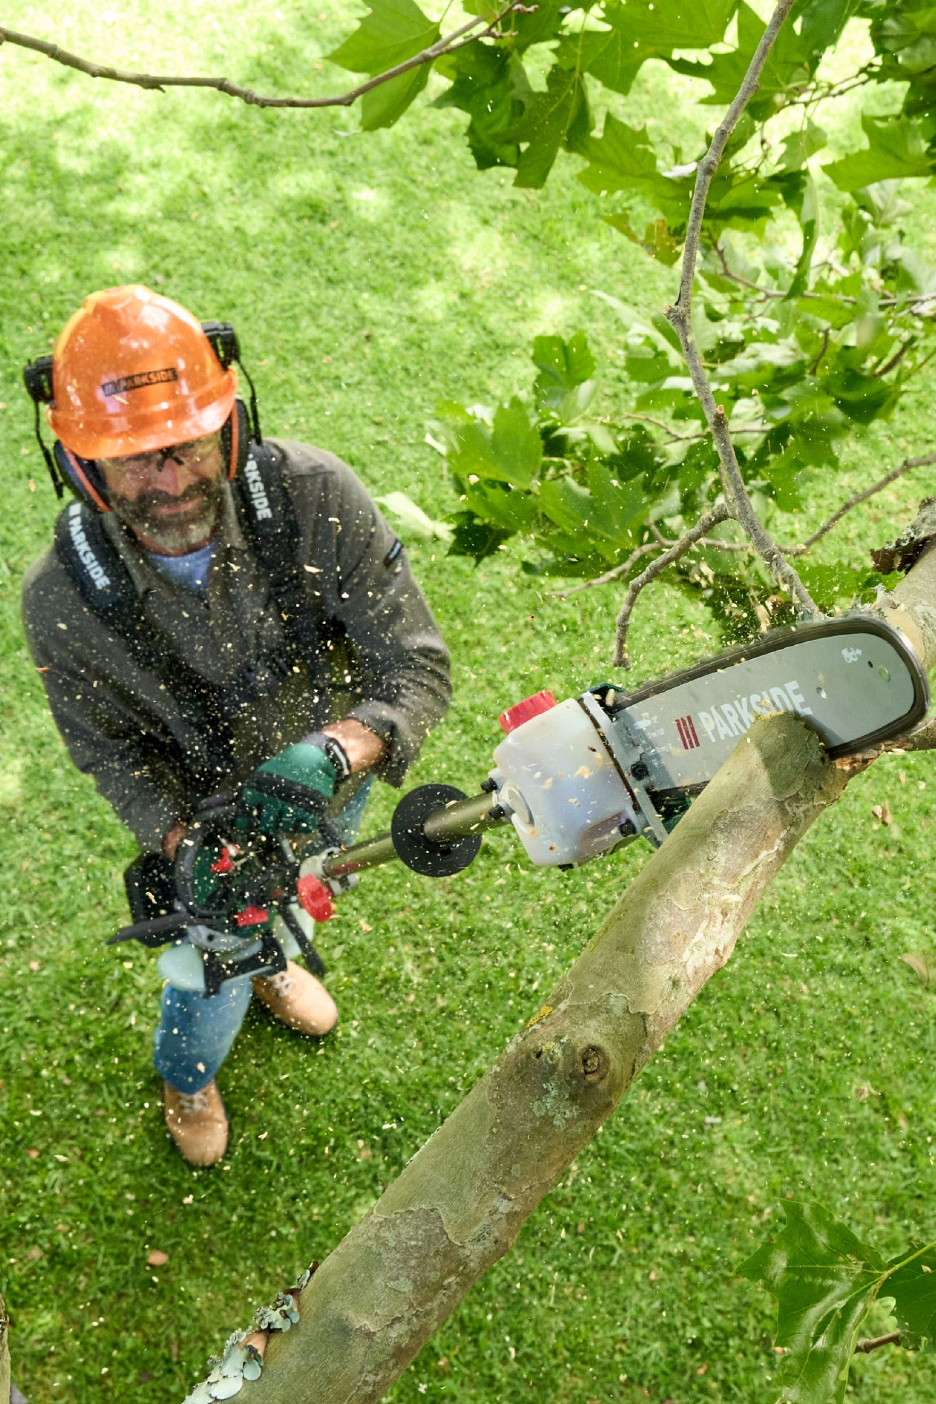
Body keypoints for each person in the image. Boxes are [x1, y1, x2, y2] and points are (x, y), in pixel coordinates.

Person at [21, 285, 451, 1165]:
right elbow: (106, 752)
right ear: (79, 465)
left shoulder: (314, 497)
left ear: (230, 427)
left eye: (185, 444)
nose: (170, 480)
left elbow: (415, 667)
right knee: (201, 982)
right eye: (135, 461)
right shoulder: (63, 600)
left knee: (301, 892)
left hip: (329, 788)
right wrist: (186, 848)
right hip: (203, 830)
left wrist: (341, 748)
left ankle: (274, 951)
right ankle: (189, 1077)